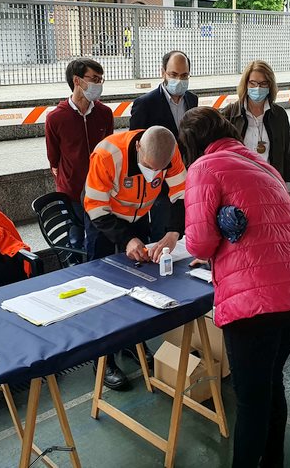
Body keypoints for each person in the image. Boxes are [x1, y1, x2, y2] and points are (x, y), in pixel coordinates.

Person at [179, 107, 290, 468]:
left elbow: (199, 245)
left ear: (192, 144)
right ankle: (273, 462)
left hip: (256, 301)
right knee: (269, 382)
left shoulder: (204, 167)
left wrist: (214, 229)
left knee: (250, 400)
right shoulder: (263, 165)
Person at [83, 126, 186, 390]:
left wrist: (174, 233)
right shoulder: (107, 155)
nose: (154, 174)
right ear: (138, 147)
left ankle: (131, 345)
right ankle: (103, 361)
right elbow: (95, 206)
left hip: (139, 217)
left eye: (159, 170)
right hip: (103, 223)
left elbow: (180, 194)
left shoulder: (169, 151)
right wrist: (125, 239)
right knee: (103, 292)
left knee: (139, 287)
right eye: (149, 167)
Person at [45, 58, 113, 251]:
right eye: (93, 79)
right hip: (72, 191)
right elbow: (54, 158)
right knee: (75, 239)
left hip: (100, 190)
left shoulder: (104, 113)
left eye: (101, 80)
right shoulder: (56, 118)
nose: (98, 84)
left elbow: (109, 148)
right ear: (77, 80)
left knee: (98, 240)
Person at [129, 50, 198, 241]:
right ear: (163, 73)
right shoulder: (145, 104)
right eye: (174, 74)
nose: (179, 80)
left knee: (185, 236)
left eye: (184, 75)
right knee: (162, 237)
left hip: (187, 182)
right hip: (160, 187)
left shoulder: (192, 100)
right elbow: (137, 147)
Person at [221, 60, 290, 192]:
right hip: (238, 187)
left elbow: (288, 153)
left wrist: (288, 187)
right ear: (246, 84)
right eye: (253, 83)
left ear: (270, 85)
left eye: (263, 83)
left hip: (271, 185)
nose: (257, 88)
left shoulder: (279, 115)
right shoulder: (230, 113)